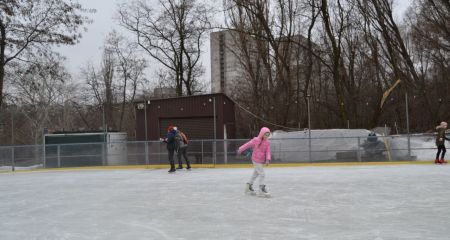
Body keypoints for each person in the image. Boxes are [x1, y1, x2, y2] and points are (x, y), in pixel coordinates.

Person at [238, 127, 272, 197]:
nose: (267, 136)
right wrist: (240, 149)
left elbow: (268, 151)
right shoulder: (256, 140)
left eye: (268, 135)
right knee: (262, 174)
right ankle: (261, 190)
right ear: (262, 134)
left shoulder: (267, 142)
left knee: (255, 174)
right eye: (265, 135)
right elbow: (247, 144)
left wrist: (268, 159)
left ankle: (248, 187)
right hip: (255, 159)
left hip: (261, 160)